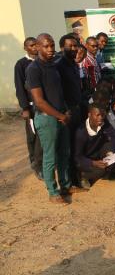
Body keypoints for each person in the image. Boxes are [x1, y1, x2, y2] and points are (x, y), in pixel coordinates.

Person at [26, 34, 74, 204]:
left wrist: (65, 111)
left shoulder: (53, 66)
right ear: (37, 47)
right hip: (47, 119)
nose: (50, 49)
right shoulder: (34, 69)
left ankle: (65, 185)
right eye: (46, 46)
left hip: (61, 116)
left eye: (52, 45)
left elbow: (58, 92)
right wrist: (60, 116)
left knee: (64, 154)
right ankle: (53, 192)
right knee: (50, 157)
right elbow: (39, 100)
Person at [74, 103, 115, 187]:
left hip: (99, 155)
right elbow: (77, 157)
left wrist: (110, 151)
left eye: (102, 115)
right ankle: (84, 176)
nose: (100, 118)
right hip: (86, 161)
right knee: (100, 170)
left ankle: (109, 174)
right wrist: (93, 163)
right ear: (89, 115)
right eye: (97, 115)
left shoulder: (103, 123)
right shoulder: (81, 132)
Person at [57, 34, 85, 188]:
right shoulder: (58, 66)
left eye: (76, 46)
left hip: (77, 109)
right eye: (71, 46)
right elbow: (57, 92)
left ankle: (77, 177)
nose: (74, 49)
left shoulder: (73, 64)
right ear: (62, 47)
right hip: (67, 113)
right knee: (66, 148)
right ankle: (67, 183)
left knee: (77, 144)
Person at [14, 37, 43, 180]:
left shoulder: (41, 62)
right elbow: (20, 87)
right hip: (31, 107)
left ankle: (44, 161)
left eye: (36, 45)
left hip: (44, 105)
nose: (34, 48)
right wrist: (25, 108)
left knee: (43, 135)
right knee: (33, 136)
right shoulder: (21, 64)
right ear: (25, 48)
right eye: (31, 46)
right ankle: (36, 163)